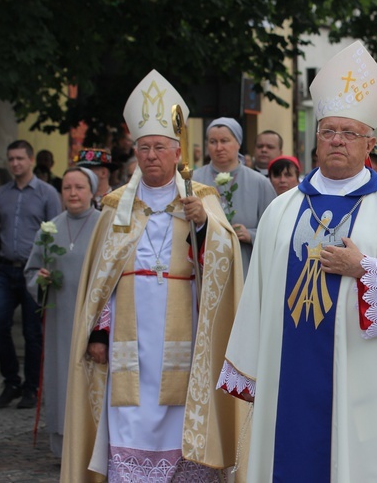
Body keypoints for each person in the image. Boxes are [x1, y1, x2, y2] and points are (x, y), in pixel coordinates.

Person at [216, 40, 377, 482]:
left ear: (370, 144)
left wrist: (366, 269)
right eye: (328, 131)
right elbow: (258, 292)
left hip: (362, 382)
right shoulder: (282, 209)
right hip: (287, 372)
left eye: (349, 133)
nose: (337, 141)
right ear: (316, 139)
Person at [61, 70, 245, 481]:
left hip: (185, 336)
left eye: (160, 147)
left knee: (180, 418)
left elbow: (223, 267)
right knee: (128, 415)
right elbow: (100, 282)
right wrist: (98, 334)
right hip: (130, 341)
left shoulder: (202, 201)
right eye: (143, 148)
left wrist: (203, 228)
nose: (151, 156)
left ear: (177, 152)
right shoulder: (115, 209)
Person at [0, 140, 62, 409]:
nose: (15, 163)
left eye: (20, 158)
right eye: (11, 159)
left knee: (33, 333)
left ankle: (32, 387)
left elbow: (57, 230)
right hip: (5, 270)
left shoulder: (46, 193)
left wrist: (52, 268)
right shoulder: (1, 194)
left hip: (34, 270)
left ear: (30, 160)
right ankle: (11, 382)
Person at [24, 167, 101, 457]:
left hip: (92, 318)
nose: (72, 193)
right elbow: (31, 271)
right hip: (59, 320)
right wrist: (40, 280)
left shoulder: (104, 225)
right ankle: (63, 446)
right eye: (67, 187)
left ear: (92, 191)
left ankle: (93, 446)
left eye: (79, 187)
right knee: (61, 378)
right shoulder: (49, 229)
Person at [193, 117, 276, 275]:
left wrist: (250, 235)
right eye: (212, 142)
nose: (219, 147)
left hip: (245, 267)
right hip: (206, 267)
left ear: (238, 143)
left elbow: (276, 230)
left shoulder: (259, 182)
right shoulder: (194, 180)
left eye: (225, 141)